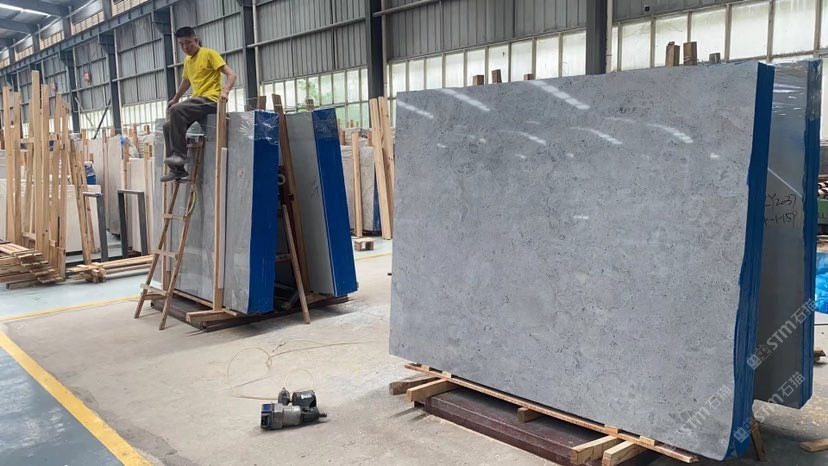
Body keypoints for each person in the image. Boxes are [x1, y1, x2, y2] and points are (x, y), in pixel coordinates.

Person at [161, 26, 236, 182]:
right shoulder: (188, 61)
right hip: (197, 102)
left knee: (176, 110)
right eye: (181, 44)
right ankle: (178, 170)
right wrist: (176, 98)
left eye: (188, 43)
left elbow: (231, 74)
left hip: (211, 100)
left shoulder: (209, 54)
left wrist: (225, 91)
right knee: (167, 126)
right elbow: (186, 81)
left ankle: (179, 155)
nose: (185, 47)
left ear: (195, 40)